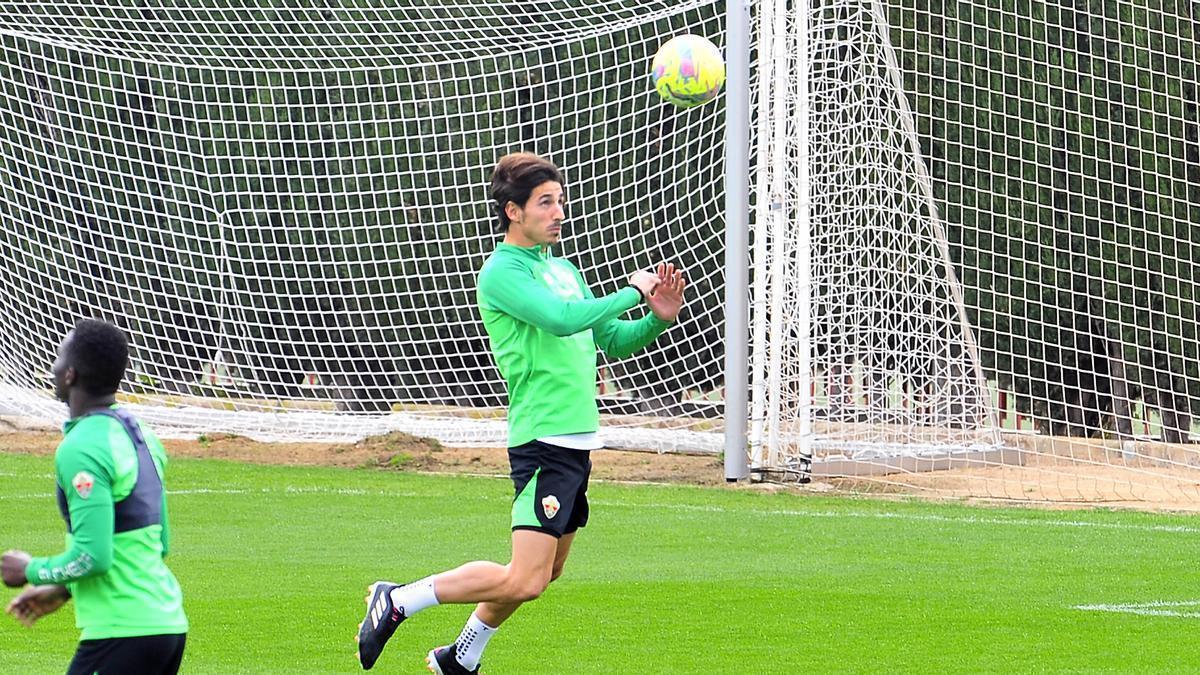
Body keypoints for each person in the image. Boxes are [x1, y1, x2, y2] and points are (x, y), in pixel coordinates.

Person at [356, 152, 686, 673]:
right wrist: (630, 290)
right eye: (545, 203)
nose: (559, 212)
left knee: (545, 573)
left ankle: (459, 658)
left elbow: (612, 340)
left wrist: (657, 317)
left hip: (576, 443)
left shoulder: (564, 269)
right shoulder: (500, 273)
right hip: (543, 439)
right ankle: (397, 600)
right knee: (524, 578)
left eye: (560, 201)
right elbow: (559, 321)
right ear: (514, 211)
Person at [2, 319, 188, 675]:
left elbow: (94, 556)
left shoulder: (82, 447)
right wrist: (64, 589)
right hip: (166, 628)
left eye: (57, 357)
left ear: (70, 374)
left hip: (122, 633)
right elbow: (158, 543)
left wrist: (30, 570)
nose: (52, 367)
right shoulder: (142, 435)